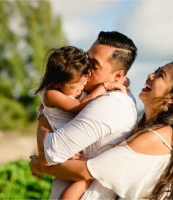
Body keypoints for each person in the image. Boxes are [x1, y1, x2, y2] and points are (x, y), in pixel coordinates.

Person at [30, 58, 173, 199]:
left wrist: (39, 164)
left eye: (160, 75)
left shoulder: (155, 137)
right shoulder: (149, 128)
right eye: (156, 70)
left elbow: (86, 171)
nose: (150, 75)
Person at [35, 31, 138, 199]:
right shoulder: (86, 91)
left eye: (94, 65)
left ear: (118, 76)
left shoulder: (110, 103)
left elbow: (49, 154)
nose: (85, 69)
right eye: (86, 59)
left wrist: (38, 164)